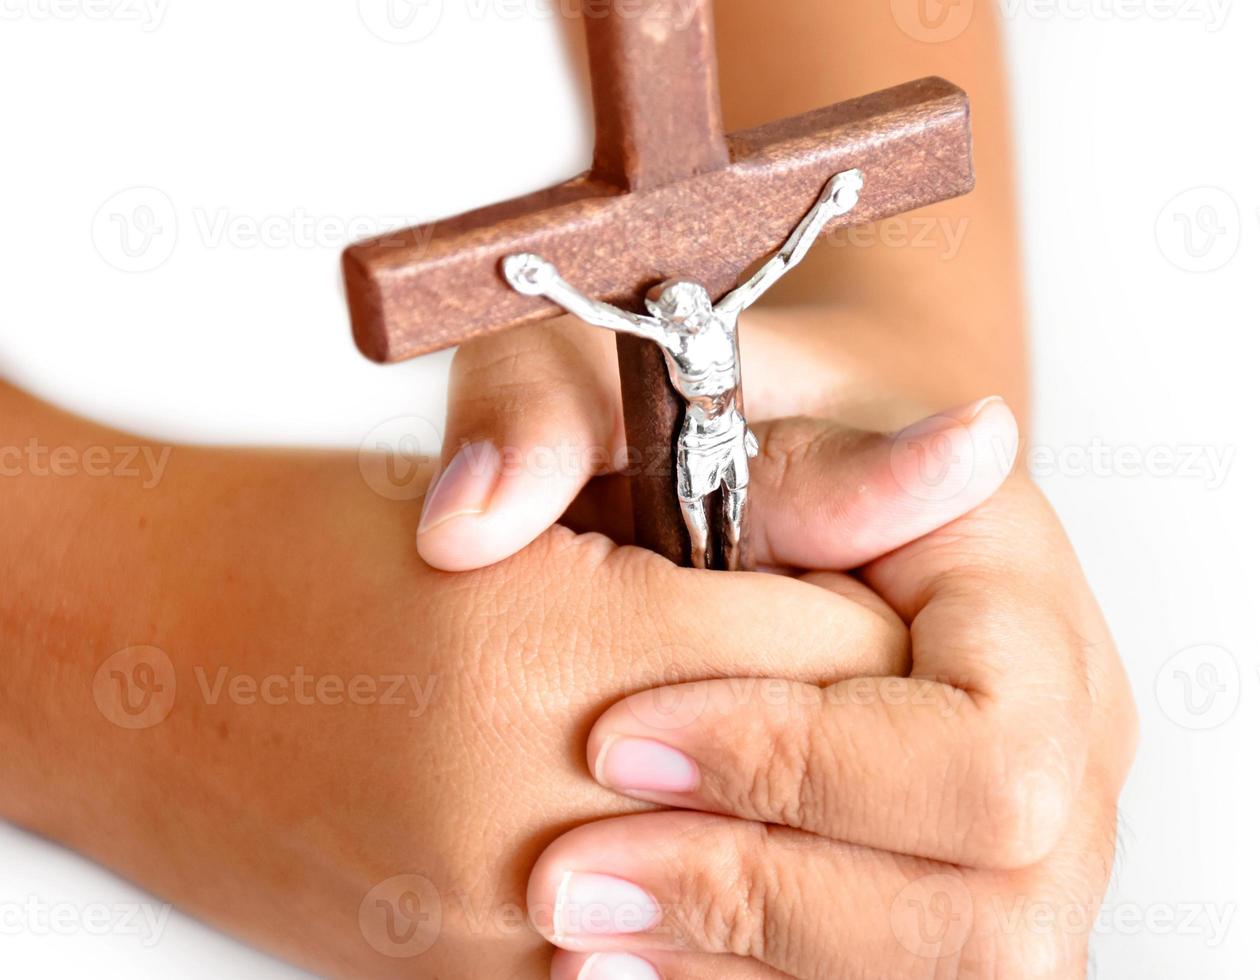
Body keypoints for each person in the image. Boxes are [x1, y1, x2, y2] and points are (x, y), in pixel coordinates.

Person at [0, 4, 1137, 978]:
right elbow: (610, 307)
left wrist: (890, 416)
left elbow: (822, 245)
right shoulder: (643, 311)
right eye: (682, 313)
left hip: (707, 450)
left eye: (704, 308)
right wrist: (124, 648)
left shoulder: (723, 292)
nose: (691, 315)